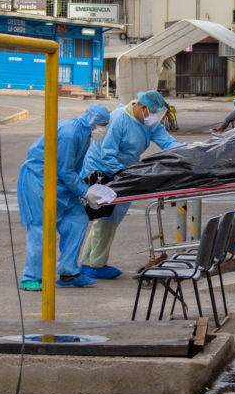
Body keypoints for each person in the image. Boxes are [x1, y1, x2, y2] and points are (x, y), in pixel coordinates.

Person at [78, 90, 182, 279]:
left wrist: (186, 153)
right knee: (105, 216)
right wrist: (125, 175)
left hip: (126, 170)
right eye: (153, 113)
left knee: (111, 217)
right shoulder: (119, 119)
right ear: (143, 108)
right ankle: (95, 264)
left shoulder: (149, 121)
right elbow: (107, 154)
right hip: (102, 169)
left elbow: (167, 141)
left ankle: (89, 262)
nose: (154, 118)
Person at [18, 104, 111, 290]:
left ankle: (69, 271)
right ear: (94, 123)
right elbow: (65, 170)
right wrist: (86, 193)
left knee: (77, 220)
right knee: (41, 228)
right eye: (103, 125)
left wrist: (85, 190)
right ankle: (31, 276)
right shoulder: (69, 134)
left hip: (60, 184)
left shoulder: (84, 135)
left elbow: (72, 169)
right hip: (39, 181)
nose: (103, 130)